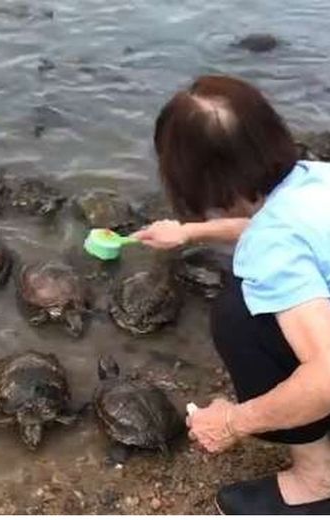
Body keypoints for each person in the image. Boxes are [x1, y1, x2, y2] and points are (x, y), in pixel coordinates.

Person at [133, 74, 330, 514]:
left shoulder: (273, 247)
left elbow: (327, 375)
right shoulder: (316, 178)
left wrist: (232, 421)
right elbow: (275, 223)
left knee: (239, 317)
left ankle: (317, 483)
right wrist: (188, 233)